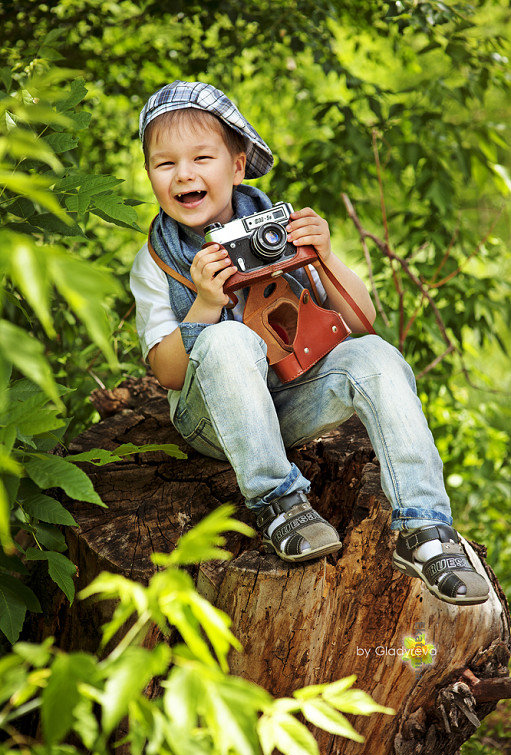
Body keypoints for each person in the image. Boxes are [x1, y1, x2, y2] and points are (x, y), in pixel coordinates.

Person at [130, 80, 489, 606]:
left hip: (291, 400)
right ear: (150, 175)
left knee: (377, 357)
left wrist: (325, 258)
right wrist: (205, 304)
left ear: (238, 165)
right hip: (211, 421)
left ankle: (425, 528)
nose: (184, 174)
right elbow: (166, 374)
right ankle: (279, 502)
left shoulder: (276, 228)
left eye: (202, 158)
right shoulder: (156, 260)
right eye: (165, 164)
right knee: (228, 341)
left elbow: (363, 321)